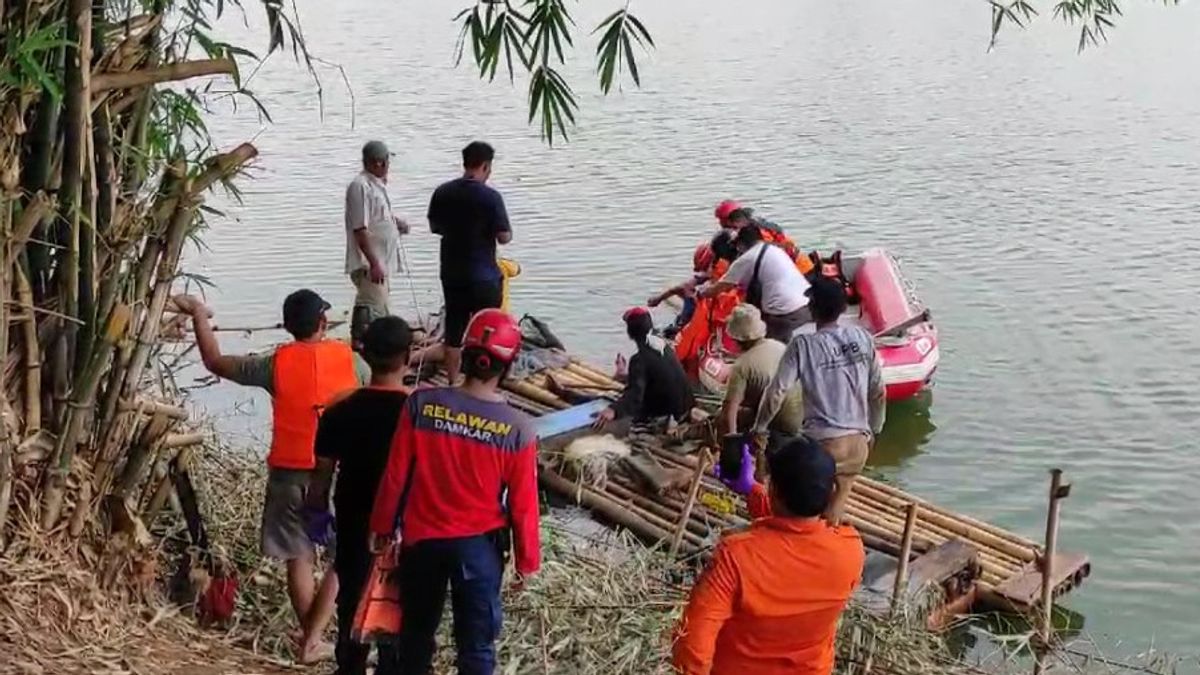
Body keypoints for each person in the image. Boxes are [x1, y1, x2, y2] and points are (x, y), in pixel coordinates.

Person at [176, 289, 369, 661]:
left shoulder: (273, 365)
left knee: (299, 556)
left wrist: (200, 314)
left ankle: (310, 638)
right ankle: (318, 638)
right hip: (338, 473)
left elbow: (214, 361)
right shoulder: (351, 361)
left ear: (287, 327)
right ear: (324, 323)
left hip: (288, 474)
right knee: (343, 557)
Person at [369, 309, 540, 675]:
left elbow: (395, 476)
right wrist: (527, 564)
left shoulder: (420, 404)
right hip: (477, 551)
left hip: (421, 542)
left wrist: (382, 528)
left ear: (463, 355)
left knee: (414, 637)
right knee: (476, 647)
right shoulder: (518, 429)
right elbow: (524, 506)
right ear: (506, 368)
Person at [672, 436, 865, 675]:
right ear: (831, 492)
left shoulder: (735, 557)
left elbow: (693, 643)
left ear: (773, 489)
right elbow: (795, 531)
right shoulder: (850, 548)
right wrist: (753, 490)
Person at [304, 316, 414, 674]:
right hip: (405, 524)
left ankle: (349, 666)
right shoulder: (420, 413)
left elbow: (321, 473)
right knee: (399, 601)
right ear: (409, 358)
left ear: (364, 355)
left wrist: (316, 511)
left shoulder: (340, 408)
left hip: (353, 518)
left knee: (351, 597)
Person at [750, 277, 887, 525]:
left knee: (802, 505)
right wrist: (874, 430)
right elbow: (878, 392)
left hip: (823, 446)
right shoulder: (863, 338)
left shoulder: (802, 345)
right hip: (859, 445)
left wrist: (760, 428)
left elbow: (776, 392)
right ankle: (834, 543)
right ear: (844, 308)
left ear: (811, 308)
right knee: (836, 505)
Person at [428, 141, 512, 384]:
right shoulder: (491, 197)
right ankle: (482, 384)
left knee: (454, 333)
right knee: (489, 332)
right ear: (485, 166)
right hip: (484, 277)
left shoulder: (443, 192)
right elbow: (504, 237)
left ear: (465, 163)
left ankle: (453, 383)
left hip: (452, 274)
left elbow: (435, 227)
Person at [345, 140, 410, 349]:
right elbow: (360, 229)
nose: (388, 165)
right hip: (370, 264)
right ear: (378, 163)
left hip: (381, 262)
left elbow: (376, 217)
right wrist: (374, 263)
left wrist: (395, 222)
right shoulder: (360, 186)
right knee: (370, 307)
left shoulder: (376, 185)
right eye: (387, 161)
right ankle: (361, 347)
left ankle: (374, 348)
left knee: (380, 309)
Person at [701, 225, 811, 343]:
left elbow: (716, 289)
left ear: (740, 246)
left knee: (763, 343)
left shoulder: (746, 259)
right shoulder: (774, 248)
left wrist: (700, 291)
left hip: (785, 314)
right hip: (808, 305)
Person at [594, 308, 694, 429]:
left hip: (666, 417)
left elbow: (635, 395)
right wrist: (626, 375)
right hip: (684, 410)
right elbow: (656, 376)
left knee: (630, 417)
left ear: (630, 332)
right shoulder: (664, 347)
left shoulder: (639, 359)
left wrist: (614, 410)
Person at [720, 304, 804, 447]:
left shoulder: (741, 366)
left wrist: (731, 440)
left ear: (736, 339)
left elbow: (730, 408)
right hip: (799, 417)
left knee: (725, 416)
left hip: (777, 424)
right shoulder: (779, 346)